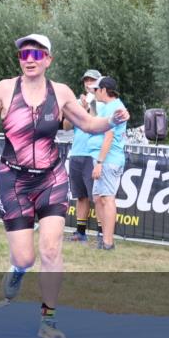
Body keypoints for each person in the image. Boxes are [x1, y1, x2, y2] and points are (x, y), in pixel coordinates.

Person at [0, 34, 128, 338]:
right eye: (24, 55)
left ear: (48, 60)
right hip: (13, 181)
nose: (29, 59)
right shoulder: (5, 89)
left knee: (51, 249)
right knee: (25, 257)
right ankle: (18, 270)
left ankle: (49, 320)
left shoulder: (60, 93)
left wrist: (112, 120)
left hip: (51, 179)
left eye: (36, 54)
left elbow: (89, 124)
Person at [89, 76, 128, 251]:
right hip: (106, 159)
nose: (94, 92)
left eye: (96, 89)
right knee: (98, 198)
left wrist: (100, 162)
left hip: (108, 160)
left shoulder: (113, 108)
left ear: (104, 90)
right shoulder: (110, 106)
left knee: (107, 198)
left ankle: (108, 242)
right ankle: (104, 239)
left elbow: (109, 136)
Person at [65, 69, 101, 242]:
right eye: (86, 80)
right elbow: (66, 126)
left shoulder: (103, 102)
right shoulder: (78, 102)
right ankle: (81, 233)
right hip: (76, 153)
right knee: (81, 196)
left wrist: (88, 107)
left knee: (98, 197)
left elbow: (95, 122)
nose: (88, 84)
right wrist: (74, 110)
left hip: (93, 155)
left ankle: (103, 233)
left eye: (92, 80)